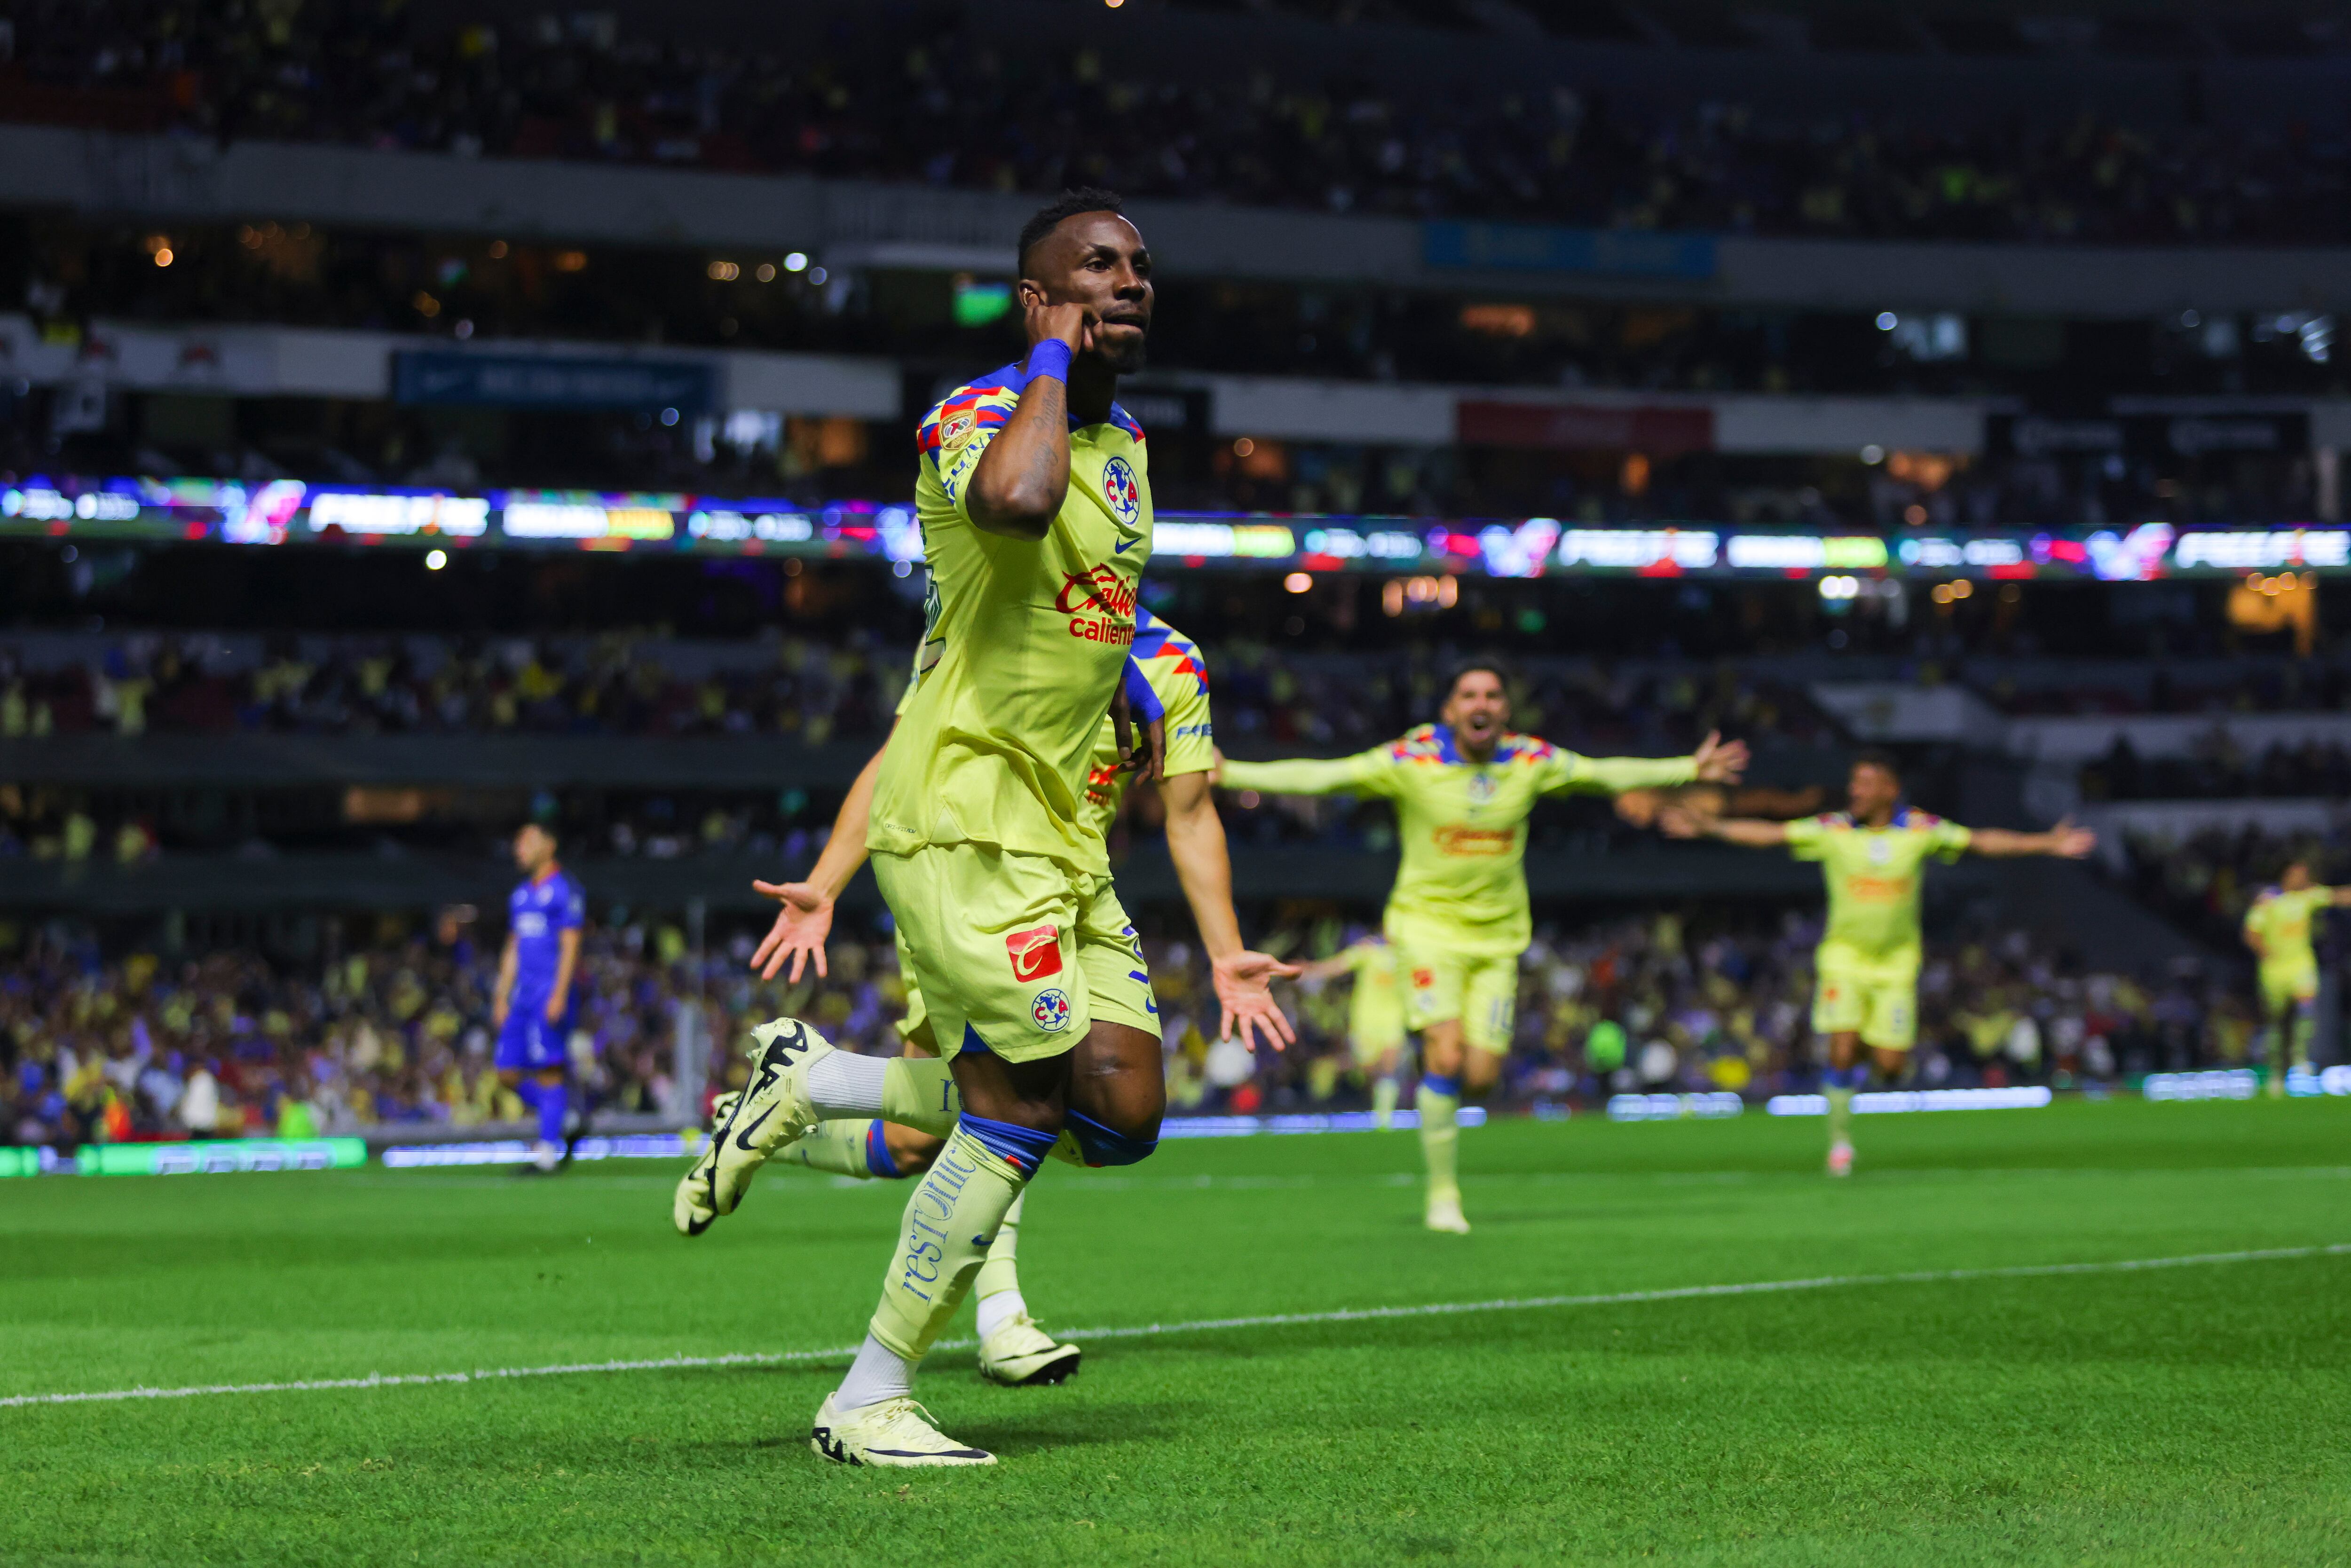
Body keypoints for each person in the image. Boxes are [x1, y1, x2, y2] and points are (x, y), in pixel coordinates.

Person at [674, 189, 1282, 1468]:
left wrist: (1219, 937)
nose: (1131, 283)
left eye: (1141, 268)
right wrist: (1050, 355)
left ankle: (813, 1079)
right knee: (1010, 1104)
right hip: (966, 817)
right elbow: (1011, 503)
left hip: (1063, 836)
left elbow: (1084, 627)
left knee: (1120, 1109)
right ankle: (870, 1392)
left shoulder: (1128, 452)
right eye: (1097, 268)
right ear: (1038, 294)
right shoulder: (978, 415)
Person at [718, 601, 1291, 1390]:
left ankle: (794, 1094)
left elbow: (1189, 815)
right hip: (970, 873)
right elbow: (899, 755)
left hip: (1078, 884)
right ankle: (997, 1321)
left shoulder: (1176, 662)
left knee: (1087, 1123)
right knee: (1020, 1094)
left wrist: (1227, 954)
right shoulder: (990, 610)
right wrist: (823, 883)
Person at [1219, 663, 1749, 1232]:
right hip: (1425, 931)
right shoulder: (1412, 758)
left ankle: (1434, 1067)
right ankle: (1443, 1195)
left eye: (1492, 695)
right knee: (1447, 1058)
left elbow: (1602, 772)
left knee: (1478, 1076)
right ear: (1450, 710)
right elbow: (1322, 776)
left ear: (1504, 710)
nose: (1481, 703)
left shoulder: (1529, 760)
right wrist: (1230, 772)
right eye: (1468, 693)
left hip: (1497, 941)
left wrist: (1687, 767)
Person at [1665, 750, 2094, 1175]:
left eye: (1866, 784)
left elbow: (1980, 841)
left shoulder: (1920, 829)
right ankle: (1839, 1143)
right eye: (1854, 783)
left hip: (1896, 965)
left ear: (1890, 789)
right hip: (1844, 958)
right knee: (1841, 1045)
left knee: (1890, 1067)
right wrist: (1713, 826)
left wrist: (2046, 842)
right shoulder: (1833, 830)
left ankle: (1864, 1050)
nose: (1855, 790)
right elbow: (1772, 835)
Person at [492, 823, 583, 1174]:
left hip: (548, 994)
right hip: (522, 997)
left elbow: (571, 944)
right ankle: (566, 1116)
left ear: (550, 844)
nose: (519, 848)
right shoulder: (520, 895)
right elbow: (513, 946)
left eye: (527, 841)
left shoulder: (564, 890)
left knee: (548, 1071)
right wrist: (502, 994)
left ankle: (546, 1153)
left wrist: (559, 993)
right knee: (505, 1072)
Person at [2241, 859, 2350, 1097]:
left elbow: (2340, 896)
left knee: (2307, 1010)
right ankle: (2277, 1073)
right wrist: (2265, 952)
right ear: (2287, 876)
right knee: (2278, 1024)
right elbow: (2251, 932)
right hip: (2274, 970)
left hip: (2301, 966)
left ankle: (2300, 1059)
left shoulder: (2308, 897)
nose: (2303, 879)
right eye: (2298, 875)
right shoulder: (2268, 900)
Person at [1295, 930, 1406, 1127]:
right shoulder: (1369, 951)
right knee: (1368, 1067)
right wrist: (1310, 970)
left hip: (1394, 1019)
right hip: (1366, 1020)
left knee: (1390, 1065)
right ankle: (1375, 1104)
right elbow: (1338, 966)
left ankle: (1384, 1120)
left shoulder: (1409, 955)